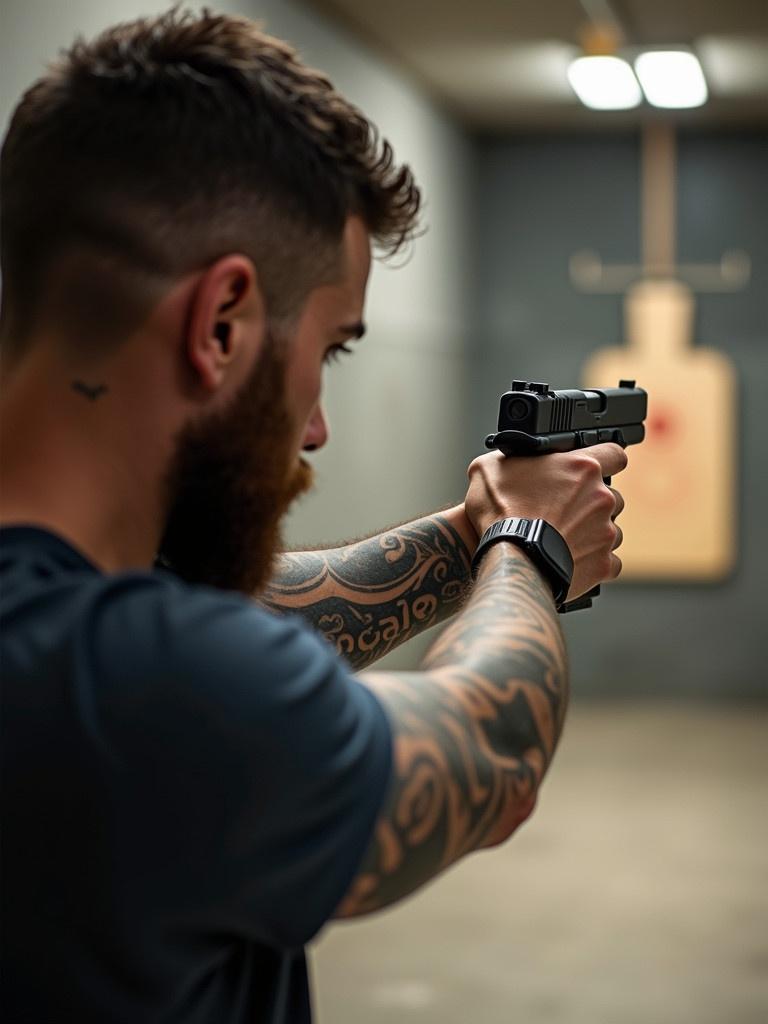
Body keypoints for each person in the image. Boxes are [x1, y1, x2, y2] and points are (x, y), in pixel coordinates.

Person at [0, 9, 627, 1023]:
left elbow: (223, 618)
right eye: (329, 350)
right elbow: (487, 748)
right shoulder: (134, 683)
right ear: (220, 324)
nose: (319, 428)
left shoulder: (79, 625)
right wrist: (531, 548)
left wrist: (470, 538)